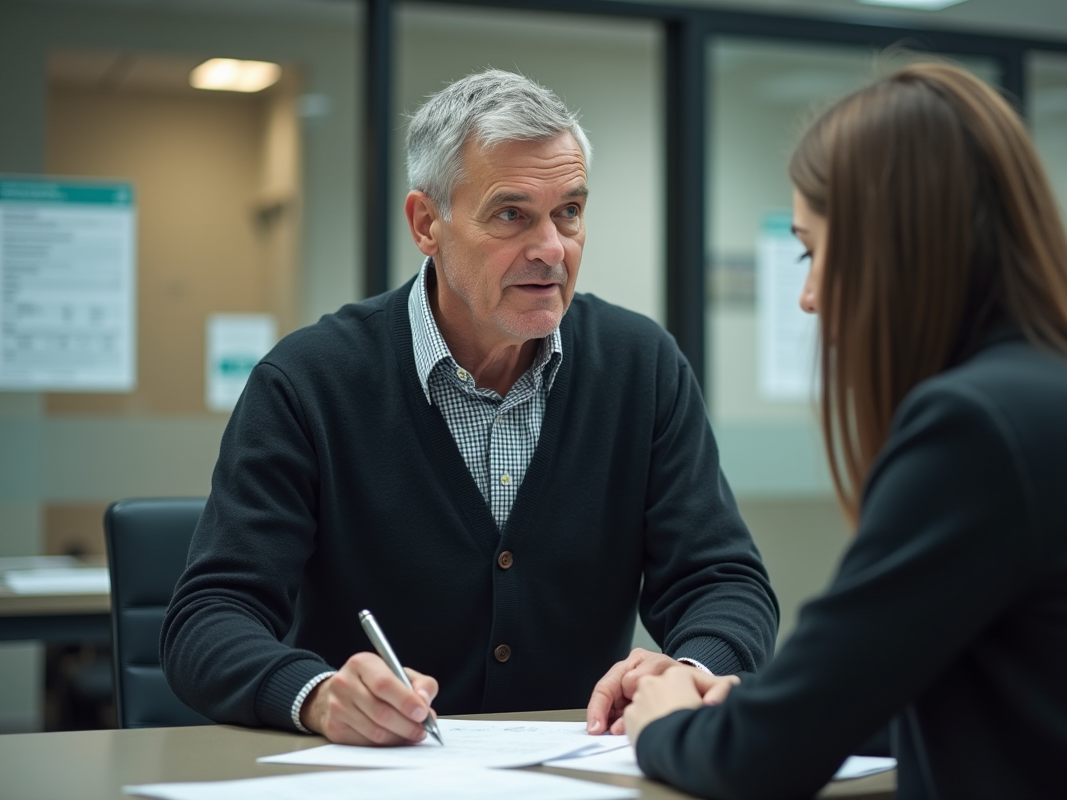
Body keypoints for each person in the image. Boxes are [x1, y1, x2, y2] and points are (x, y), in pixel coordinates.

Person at [624, 62, 1067, 799]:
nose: (805, 298)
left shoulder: (980, 427)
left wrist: (666, 721)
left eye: (810, 250)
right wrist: (775, 704)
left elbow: (758, 762)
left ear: (885, 248)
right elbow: (1016, 699)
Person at [160, 69, 778, 746]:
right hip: (373, 781)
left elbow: (723, 581)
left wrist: (691, 671)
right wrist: (315, 696)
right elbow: (208, 619)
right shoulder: (309, 381)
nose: (552, 248)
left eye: (569, 211)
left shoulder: (642, 366)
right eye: (512, 215)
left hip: (580, 777)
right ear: (427, 223)